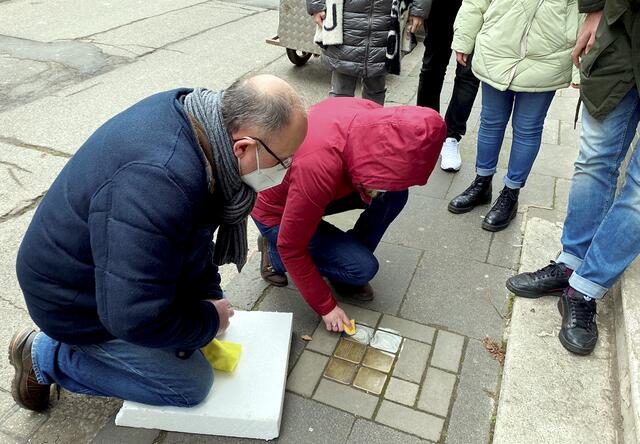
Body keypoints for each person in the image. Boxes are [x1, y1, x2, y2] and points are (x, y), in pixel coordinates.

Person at [8, 75, 308, 412]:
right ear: (243, 147)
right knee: (189, 385)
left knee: (206, 318)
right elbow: (132, 317)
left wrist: (207, 296)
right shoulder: (161, 180)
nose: (288, 168)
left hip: (102, 268)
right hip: (69, 299)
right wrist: (206, 320)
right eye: (283, 159)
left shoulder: (202, 125)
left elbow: (191, 235)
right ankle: (44, 355)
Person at [506, 0, 639, 356]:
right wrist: (594, 9)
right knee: (594, 162)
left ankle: (585, 287)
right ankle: (571, 263)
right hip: (622, 36)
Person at [252, 97, 446, 331]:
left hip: (315, 194)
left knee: (395, 194)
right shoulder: (317, 166)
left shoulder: (374, 119)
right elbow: (292, 247)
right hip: (277, 214)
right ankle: (272, 256)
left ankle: (339, 261)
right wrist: (326, 307)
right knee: (362, 269)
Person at [447, 0, 582, 232]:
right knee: (490, 121)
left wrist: (580, 69)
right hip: (497, 46)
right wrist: (464, 38)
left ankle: (510, 193)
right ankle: (482, 183)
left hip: (548, 56)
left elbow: (585, 14)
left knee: (527, 128)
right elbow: (475, 2)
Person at [306, 0, 430, 105]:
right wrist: (316, 5)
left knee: (375, 90)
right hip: (345, 20)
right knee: (341, 90)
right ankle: (338, 132)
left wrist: (418, 10)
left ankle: (371, 131)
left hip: (386, 22)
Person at [416, 0, 480, 172]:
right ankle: (427, 129)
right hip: (441, 6)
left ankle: (451, 137)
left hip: (479, 6)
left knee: (468, 73)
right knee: (432, 68)